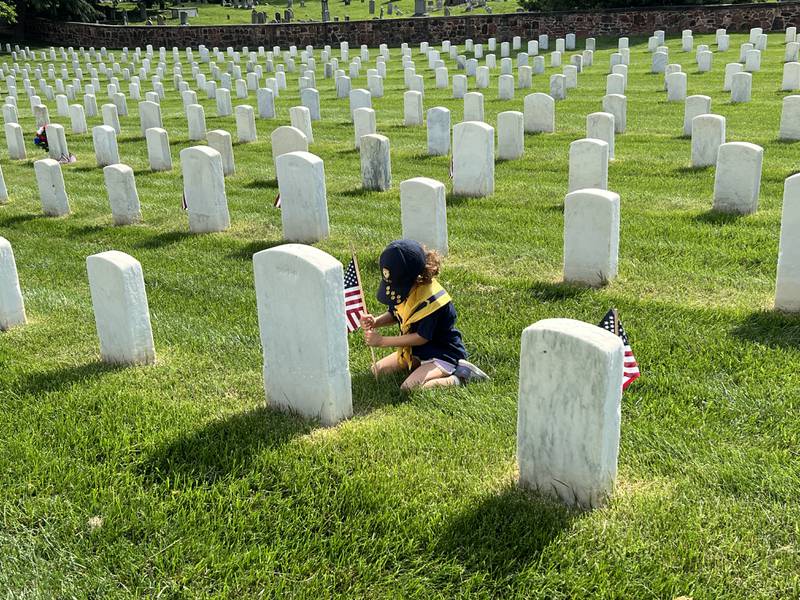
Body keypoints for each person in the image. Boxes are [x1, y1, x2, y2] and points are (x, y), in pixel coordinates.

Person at [360, 239, 488, 391]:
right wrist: (376, 321)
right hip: (417, 352)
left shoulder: (432, 301)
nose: (396, 290)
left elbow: (421, 337)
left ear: (415, 278)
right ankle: (419, 365)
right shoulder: (406, 291)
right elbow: (395, 314)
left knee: (409, 388)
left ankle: (461, 376)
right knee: (377, 370)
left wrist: (383, 341)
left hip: (442, 354)